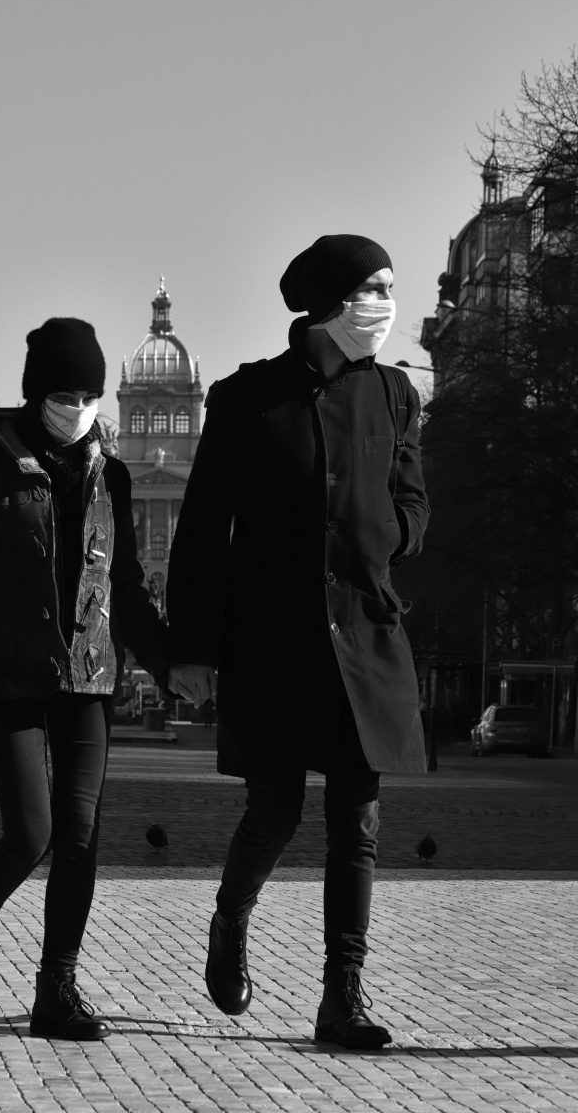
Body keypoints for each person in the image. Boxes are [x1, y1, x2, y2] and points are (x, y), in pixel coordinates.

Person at [167, 234, 429, 1049]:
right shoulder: (247, 397)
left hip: (364, 634)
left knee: (358, 822)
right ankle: (231, 918)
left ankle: (342, 996)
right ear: (329, 302)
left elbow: (414, 499)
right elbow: (203, 530)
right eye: (373, 287)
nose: (385, 303)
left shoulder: (395, 393)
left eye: (389, 286)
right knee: (274, 810)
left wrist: (392, 535)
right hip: (272, 640)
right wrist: (192, 648)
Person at [0, 318, 167, 1042]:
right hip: (11, 677)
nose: (78, 408)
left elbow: (126, 588)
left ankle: (57, 987)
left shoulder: (112, 476)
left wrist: (171, 661)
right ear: (36, 396)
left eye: (89, 396)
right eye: (64, 396)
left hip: (89, 677)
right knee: (31, 834)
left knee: (80, 837)